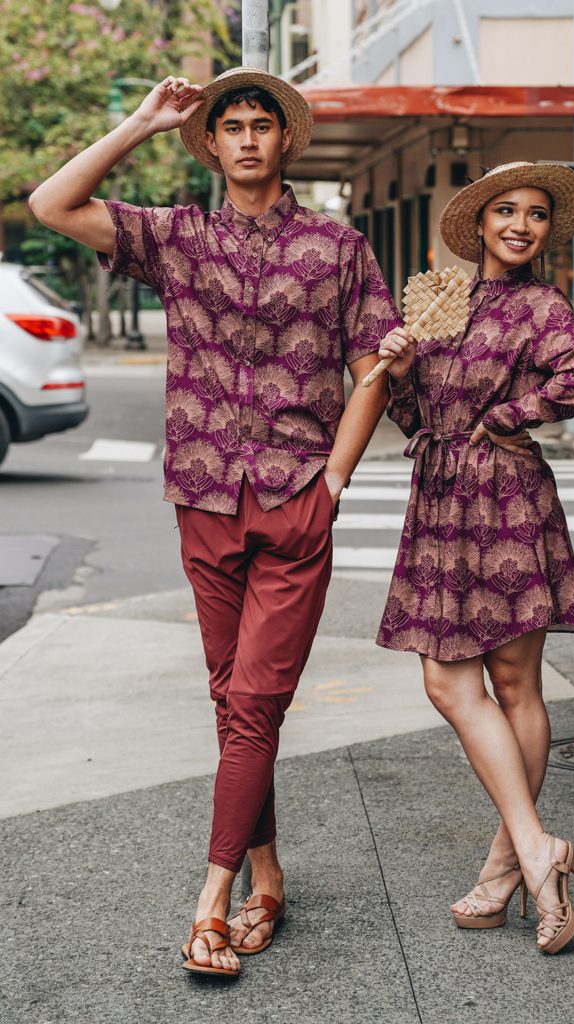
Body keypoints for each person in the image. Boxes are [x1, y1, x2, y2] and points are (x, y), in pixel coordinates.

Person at [29, 67, 402, 977]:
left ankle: (211, 902)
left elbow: (373, 368)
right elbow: (50, 203)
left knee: (252, 704)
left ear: (285, 142)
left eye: (258, 126)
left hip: (293, 499)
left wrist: (336, 481)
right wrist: (144, 121)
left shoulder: (337, 245)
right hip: (203, 497)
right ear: (211, 142)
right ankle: (267, 871)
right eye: (228, 125)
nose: (243, 137)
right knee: (235, 705)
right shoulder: (174, 238)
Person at [375, 162, 574, 955]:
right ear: (478, 224)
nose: (519, 224)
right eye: (504, 210)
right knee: (448, 682)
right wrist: (403, 377)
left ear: (547, 232)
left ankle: (511, 864)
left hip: (506, 498)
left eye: (536, 215)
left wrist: (511, 413)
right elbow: (415, 414)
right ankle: (537, 849)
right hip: (439, 500)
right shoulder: (442, 300)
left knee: (512, 684)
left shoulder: (541, 305)